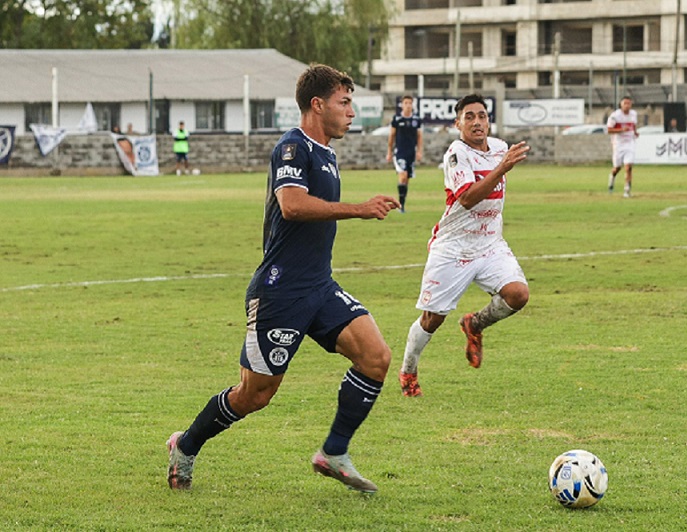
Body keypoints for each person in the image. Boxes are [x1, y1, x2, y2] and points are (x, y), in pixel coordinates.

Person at [166, 64, 400, 494]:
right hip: (280, 290)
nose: (351, 112)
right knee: (254, 394)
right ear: (318, 104)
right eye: (344, 102)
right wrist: (359, 208)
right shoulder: (293, 148)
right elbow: (292, 205)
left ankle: (334, 453)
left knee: (376, 358)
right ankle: (186, 444)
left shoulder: (326, 152)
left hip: (319, 285)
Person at [398, 93, 530, 397]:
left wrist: (503, 162)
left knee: (518, 294)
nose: (477, 122)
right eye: (469, 117)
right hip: (454, 247)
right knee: (433, 319)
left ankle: (474, 324)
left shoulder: (499, 148)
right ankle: (408, 370)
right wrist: (502, 168)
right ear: (458, 124)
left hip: (489, 243)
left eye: (482, 116)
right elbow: (468, 198)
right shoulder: (456, 154)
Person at [386, 95, 423, 213]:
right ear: (402, 105)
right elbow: (391, 136)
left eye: (410, 103)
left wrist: (419, 151)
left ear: (412, 105)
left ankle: (402, 204)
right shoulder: (397, 119)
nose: (408, 105)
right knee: (402, 176)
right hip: (399, 153)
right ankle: (400, 206)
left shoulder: (416, 120)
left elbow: (419, 137)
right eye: (405, 103)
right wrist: (389, 152)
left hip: (411, 153)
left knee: (406, 179)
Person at [606, 96, 638, 198]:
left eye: (629, 103)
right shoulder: (615, 116)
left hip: (629, 143)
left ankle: (627, 190)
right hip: (618, 144)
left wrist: (635, 132)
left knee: (628, 167)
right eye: (625, 103)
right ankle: (612, 177)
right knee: (617, 168)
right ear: (621, 105)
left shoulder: (633, 114)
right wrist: (621, 130)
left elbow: (633, 125)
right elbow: (609, 130)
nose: (627, 106)